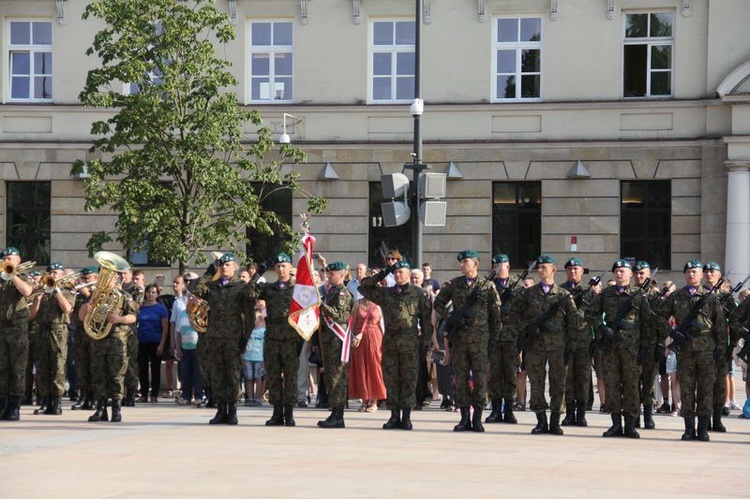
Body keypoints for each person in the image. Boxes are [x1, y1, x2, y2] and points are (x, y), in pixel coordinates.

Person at [433, 250, 503, 433]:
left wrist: (494, 341)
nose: (462, 265)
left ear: (475, 264)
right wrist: (451, 318)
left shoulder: (487, 286)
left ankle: (477, 418)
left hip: (481, 342)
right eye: (461, 262)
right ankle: (464, 418)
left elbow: (496, 316)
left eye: (465, 262)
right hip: (460, 342)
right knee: (461, 380)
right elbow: (438, 303)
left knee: (480, 381)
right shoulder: (454, 284)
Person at [359, 260, 431, 430]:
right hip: (390, 342)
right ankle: (393, 416)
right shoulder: (386, 293)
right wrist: (384, 272)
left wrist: (425, 345)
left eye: (401, 272)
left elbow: (427, 322)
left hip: (410, 343)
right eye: (395, 272)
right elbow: (364, 288)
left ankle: (406, 417)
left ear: (408, 273)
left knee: (408, 380)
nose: (398, 275)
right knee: (391, 379)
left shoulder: (419, 293)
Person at [658, 260, 725, 441]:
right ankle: (689, 429)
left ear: (701, 275)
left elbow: (719, 326)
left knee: (705, 390)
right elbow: (659, 316)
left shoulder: (710, 297)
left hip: (707, 351)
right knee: (687, 389)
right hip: (685, 350)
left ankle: (703, 429)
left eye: (695, 272)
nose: (691, 275)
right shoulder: (677, 296)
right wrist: (671, 332)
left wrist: (721, 350)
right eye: (688, 272)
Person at [510, 255, 577, 436]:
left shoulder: (563, 295)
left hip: (558, 346)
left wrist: (570, 346)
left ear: (553, 270)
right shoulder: (529, 293)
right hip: (535, 346)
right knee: (537, 383)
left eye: (544, 268)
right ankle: (541, 420)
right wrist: (528, 328)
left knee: (558, 383)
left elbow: (573, 322)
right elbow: (514, 314)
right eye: (538, 268)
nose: (540, 271)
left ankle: (555, 420)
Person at [588, 259, 651, 439]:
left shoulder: (639, 295)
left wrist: (645, 347)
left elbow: (647, 322)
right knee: (612, 384)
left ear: (630, 274)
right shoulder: (606, 294)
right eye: (616, 271)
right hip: (611, 347)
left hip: (632, 348)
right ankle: (615, 424)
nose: (619, 274)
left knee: (631, 385)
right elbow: (590, 313)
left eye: (623, 271)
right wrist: (601, 326)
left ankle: (630, 425)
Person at [191, 253, 252, 425]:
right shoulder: (212, 286)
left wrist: (245, 337)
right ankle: (220, 410)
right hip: (215, 337)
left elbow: (248, 315)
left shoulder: (241, 287)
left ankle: (232, 410)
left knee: (232, 375)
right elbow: (195, 290)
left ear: (235, 267)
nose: (224, 268)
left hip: (233, 338)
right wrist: (209, 272)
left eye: (228, 265)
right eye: (222, 265)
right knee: (217, 374)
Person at [79, 257, 138, 423]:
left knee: (116, 376)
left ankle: (116, 409)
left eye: (111, 276)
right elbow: (82, 317)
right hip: (98, 341)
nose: (109, 279)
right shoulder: (94, 296)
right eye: (105, 276)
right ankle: (100, 409)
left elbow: (133, 317)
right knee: (98, 375)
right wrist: (85, 309)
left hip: (116, 341)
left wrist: (118, 319)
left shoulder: (124, 296)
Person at [248, 253, 300, 427]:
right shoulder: (269, 288)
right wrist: (258, 274)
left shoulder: (297, 289)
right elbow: (249, 293)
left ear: (290, 268)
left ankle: (289, 413)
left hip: (290, 338)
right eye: (278, 266)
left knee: (291, 376)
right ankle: (277, 412)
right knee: (273, 376)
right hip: (272, 338)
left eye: (284, 265)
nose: (281, 269)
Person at [28, 262, 75, 416]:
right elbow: (31, 315)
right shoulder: (40, 290)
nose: (53, 275)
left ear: (62, 275)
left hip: (59, 331)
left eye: (57, 272)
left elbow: (67, 309)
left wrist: (57, 292)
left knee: (58, 368)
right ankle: (44, 401)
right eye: (51, 272)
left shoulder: (68, 290)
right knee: (42, 368)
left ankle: (57, 402)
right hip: (41, 331)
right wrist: (38, 300)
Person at [558, 257, 598, 428]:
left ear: (582, 271)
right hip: (565, 341)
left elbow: (595, 316)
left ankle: (581, 414)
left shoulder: (590, 292)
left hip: (583, 341)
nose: (573, 272)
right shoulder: (560, 291)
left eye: (576, 269)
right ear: (566, 272)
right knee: (567, 377)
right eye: (570, 269)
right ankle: (569, 413)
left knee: (582, 377)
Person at [317, 261, 355, 429]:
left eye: (331, 274)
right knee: (331, 378)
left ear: (341, 275)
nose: (328, 276)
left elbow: (340, 317)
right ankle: (334, 412)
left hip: (337, 342)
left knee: (337, 378)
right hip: (330, 341)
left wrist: (321, 305)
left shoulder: (342, 294)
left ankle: (338, 415)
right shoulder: (332, 292)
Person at [486, 254, 522, 424]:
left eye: (501, 265)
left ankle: (508, 409)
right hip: (493, 336)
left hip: (511, 337)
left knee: (510, 374)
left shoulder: (519, 286)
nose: (498, 268)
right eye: (495, 265)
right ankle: (495, 410)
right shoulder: (487, 285)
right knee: (494, 374)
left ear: (508, 266)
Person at [0, 247, 34, 420]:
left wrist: (12, 275)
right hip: (1, 328)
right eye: (4, 258)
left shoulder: (24, 277)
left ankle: (15, 405)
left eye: (10, 258)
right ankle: (3, 403)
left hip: (17, 328)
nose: (6, 261)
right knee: (2, 368)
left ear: (18, 260)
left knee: (18, 368)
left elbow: (28, 292)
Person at [702, 262, 736, 432]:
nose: (709, 274)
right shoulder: (698, 295)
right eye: (706, 272)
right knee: (703, 385)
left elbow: (736, 321)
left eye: (712, 272)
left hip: (722, 348)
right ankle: (704, 420)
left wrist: (733, 345)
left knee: (719, 386)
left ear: (719, 275)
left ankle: (717, 419)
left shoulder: (726, 297)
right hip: (702, 348)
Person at [631, 261, 664, 430]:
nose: (639, 276)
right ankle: (634, 416)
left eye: (642, 273)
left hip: (651, 345)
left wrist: (660, 343)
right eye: (636, 273)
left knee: (648, 383)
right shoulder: (630, 294)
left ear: (649, 275)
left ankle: (648, 417)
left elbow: (661, 321)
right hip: (633, 345)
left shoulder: (655, 295)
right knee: (632, 383)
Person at [346, 294, 387, 415]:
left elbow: (382, 324)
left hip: (375, 338)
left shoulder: (377, 305)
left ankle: (374, 401)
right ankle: (364, 400)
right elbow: (352, 323)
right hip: (359, 339)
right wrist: (352, 337)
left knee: (374, 368)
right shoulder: (357, 304)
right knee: (361, 368)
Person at [70, 266, 98, 411]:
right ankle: (83, 397)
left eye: (88, 278)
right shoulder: (78, 294)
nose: (85, 280)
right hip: (80, 333)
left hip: (93, 334)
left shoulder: (99, 292)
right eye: (84, 278)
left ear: (96, 278)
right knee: (81, 366)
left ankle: (93, 398)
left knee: (92, 366)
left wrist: (86, 292)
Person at [136, 284, 169, 403]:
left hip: (156, 341)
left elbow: (165, 327)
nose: (151, 294)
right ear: (145, 293)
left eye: (153, 292)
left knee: (155, 369)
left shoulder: (161, 308)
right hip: (142, 341)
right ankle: (143, 394)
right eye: (149, 292)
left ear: (157, 294)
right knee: (143, 369)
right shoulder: (141, 307)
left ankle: (154, 394)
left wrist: (161, 344)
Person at [173, 275, 202, 406]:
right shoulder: (184, 313)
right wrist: (178, 347)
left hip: (196, 347)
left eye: (193, 298)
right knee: (185, 373)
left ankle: (198, 396)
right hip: (185, 348)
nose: (191, 300)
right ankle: (186, 396)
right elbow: (178, 332)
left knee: (197, 373)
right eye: (189, 298)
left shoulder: (200, 313)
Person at [122, 269, 144, 406]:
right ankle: (120, 394)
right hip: (115, 330)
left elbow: (137, 306)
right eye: (120, 274)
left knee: (130, 363)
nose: (121, 276)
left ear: (130, 274)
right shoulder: (114, 288)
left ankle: (130, 394)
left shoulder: (136, 289)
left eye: (124, 273)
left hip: (129, 331)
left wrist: (124, 296)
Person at [243, 302, 266, 407]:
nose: (255, 320)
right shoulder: (247, 331)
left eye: (257, 318)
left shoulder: (263, 331)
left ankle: (258, 398)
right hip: (248, 357)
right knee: (249, 378)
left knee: (259, 378)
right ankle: (250, 398)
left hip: (259, 358)